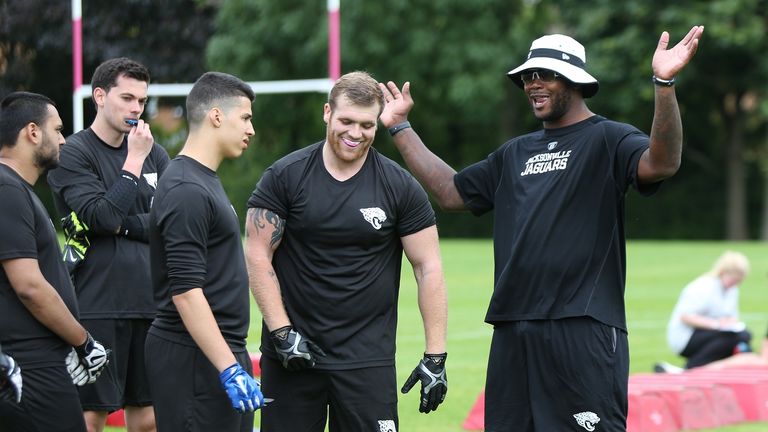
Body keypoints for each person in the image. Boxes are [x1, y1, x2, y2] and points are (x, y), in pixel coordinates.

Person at [379, 26, 705, 432]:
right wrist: (400, 128)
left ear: (575, 81)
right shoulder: (515, 152)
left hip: (581, 326)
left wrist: (664, 84)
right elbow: (451, 192)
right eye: (527, 77)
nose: (532, 84)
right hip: (513, 328)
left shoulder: (608, 138)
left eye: (544, 75)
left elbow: (662, 163)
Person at [245, 70, 448, 432]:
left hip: (366, 362)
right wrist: (281, 332)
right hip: (293, 354)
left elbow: (427, 266)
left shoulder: (400, 186)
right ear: (327, 113)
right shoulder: (285, 176)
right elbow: (258, 256)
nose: (356, 134)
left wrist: (436, 355)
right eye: (346, 121)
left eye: (367, 125)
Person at [47, 57, 167, 432]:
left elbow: (165, 222)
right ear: (99, 96)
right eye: (127, 97)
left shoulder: (157, 153)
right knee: (90, 417)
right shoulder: (73, 153)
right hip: (97, 304)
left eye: (142, 101)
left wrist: (123, 226)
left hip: (150, 302)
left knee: (147, 418)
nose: (136, 109)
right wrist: (132, 162)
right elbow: (101, 217)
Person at [145, 71, 264, 432]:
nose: (251, 130)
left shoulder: (202, 180)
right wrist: (228, 368)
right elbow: (185, 293)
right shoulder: (186, 188)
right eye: (245, 118)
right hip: (194, 357)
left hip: (216, 353)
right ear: (216, 116)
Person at [0, 91, 109, 431]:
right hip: (29, 365)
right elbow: (29, 286)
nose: (63, 139)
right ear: (32, 132)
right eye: (58, 129)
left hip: (32, 360)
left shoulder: (15, 189)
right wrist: (83, 342)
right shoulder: (8, 190)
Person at [660, 251, 753, 371]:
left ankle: (726, 368)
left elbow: (731, 316)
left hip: (709, 334)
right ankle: (691, 368)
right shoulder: (704, 286)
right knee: (730, 338)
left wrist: (729, 323)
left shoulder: (732, 290)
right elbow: (685, 317)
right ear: (724, 272)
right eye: (733, 279)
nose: (735, 284)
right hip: (685, 337)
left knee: (744, 335)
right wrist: (716, 324)